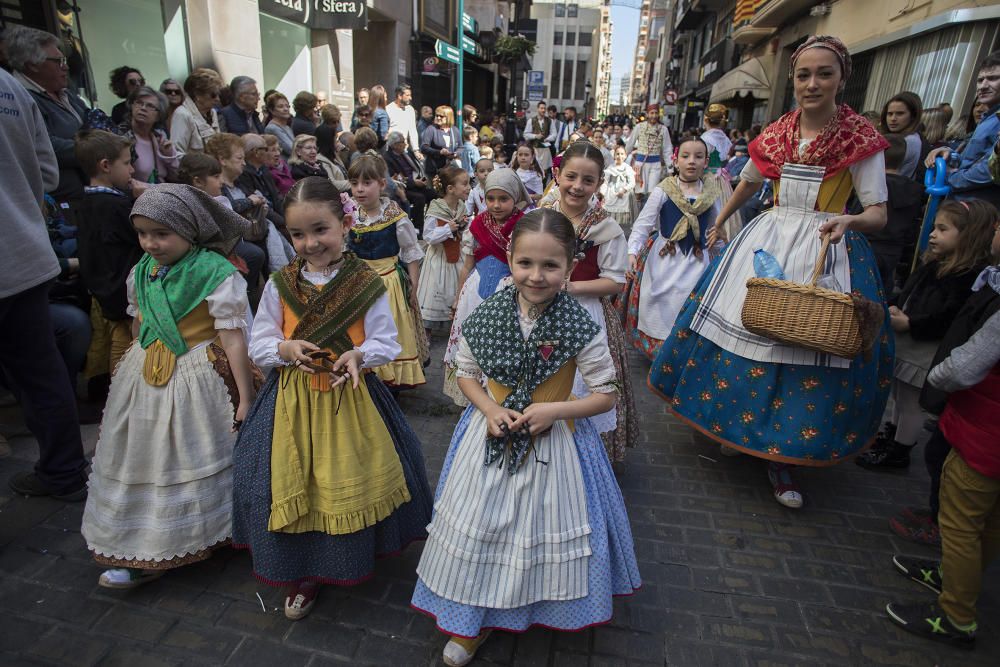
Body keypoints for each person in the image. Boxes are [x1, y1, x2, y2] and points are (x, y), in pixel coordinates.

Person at [648, 35, 893, 509]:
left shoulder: (859, 137)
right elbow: (748, 182)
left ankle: (786, 454)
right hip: (767, 240)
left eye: (824, 73)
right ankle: (738, 430)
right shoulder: (778, 131)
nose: (812, 83)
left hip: (827, 248)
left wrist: (850, 219)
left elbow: (878, 212)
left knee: (806, 344)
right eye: (803, 74)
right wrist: (719, 222)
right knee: (746, 335)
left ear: (842, 78)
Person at [411, 209, 641, 666]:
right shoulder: (491, 312)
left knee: (541, 526)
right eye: (526, 263)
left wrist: (557, 410)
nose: (537, 276)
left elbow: (607, 393)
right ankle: (471, 621)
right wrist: (491, 408)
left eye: (551, 266)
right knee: (485, 527)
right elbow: (466, 373)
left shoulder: (579, 322)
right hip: (488, 435)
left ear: (570, 268)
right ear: (510, 260)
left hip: (557, 446)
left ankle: (535, 605)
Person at [231, 175, 432, 619]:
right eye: (298, 234)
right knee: (292, 479)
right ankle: (302, 569)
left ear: (344, 225)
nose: (309, 243)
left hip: (351, 397)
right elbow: (260, 337)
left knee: (347, 478)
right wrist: (283, 348)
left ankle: (350, 555)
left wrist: (360, 355)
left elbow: (386, 340)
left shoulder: (364, 281)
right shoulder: (279, 283)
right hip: (290, 401)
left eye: (320, 230)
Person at [79, 184, 253, 589]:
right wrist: (137, 363)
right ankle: (142, 545)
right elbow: (139, 324)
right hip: (147, 373)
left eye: (161, 233)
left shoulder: (216, 271)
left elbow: (233, 336)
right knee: (143, 453)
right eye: (142, 234)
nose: (150, 243)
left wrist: (245, 396)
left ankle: (214, 529)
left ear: (189, 230)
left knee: (197, 448)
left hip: (200, 373)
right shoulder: (141, 270)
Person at [885, 221, 1000, 649]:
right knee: (985, 524)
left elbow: (968, 364)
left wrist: (938, 377)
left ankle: (956, 614)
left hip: (983, 435)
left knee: (961, 522)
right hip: (986, 431)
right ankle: (956, 579)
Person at [1, 65, 89, 501]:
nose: (65, 65)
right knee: (41, 371)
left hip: (20, 257)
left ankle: (61, 469)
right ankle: (64, 469)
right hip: (22, 252)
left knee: (39, 369)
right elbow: (48, 175)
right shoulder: (12, 89)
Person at [856, 200, 994, 471]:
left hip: (923, 349)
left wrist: (911, 323)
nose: (933, 234)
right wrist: (894, 305)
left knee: (910, 403)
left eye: (943, 229)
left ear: (967, 235)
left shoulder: (966, 276)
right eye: (934, 228)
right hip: (908, 343)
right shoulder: (935, 263)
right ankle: (892, 434)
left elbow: (947, 317)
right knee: (899, 396)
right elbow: (911, 293)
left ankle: (900, 450)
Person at [543, 141, 636, 463]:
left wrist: (569, 287)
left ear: (598, 184)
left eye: (587, 180)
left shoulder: (606, 229)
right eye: (571, 177)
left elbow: (616, 281)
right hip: (539, 313)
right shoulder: (542, 217)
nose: (577, 186)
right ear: (557, 175)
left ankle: (584, 459)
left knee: (584, 384)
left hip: (586, 317)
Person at [621, 137, 725, 361]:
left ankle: (679, 353)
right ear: (676, 161)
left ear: (706, 162)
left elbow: (715, 230)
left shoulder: (711, 195)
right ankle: (658, 353)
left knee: (687, 302)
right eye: (686, 156)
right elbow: (643, 225)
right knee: (660, 300)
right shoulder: (664, 190)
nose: (691, 162)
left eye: (698, 157)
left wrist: (722, 257)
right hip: (665, 258)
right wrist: (632, 253)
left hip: (696, 260)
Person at [443, 170, 532, 405]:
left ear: (514, 198)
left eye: (503, 199)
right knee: (472, 342)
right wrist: (458, 296)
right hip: (475, 293)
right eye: (491, 198)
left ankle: (499, 393)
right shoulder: (478, 225)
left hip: (510, 295)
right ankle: (472, 394)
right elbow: (467, 265)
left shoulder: (524, 227)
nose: (496, 204)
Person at [347, 153, 427, 387]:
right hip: (359, 282)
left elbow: (411, 253)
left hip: (388, 282)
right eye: (354, 184)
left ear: (382, 184)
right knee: (364, 328)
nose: (360, 189)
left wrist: (413, 287)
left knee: (390, 327)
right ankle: (368, 373)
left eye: (366, 183)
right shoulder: (351, 217)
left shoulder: (396, 218)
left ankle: (392, 379)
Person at [74, 129, 144, 379]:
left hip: (103, 284)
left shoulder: (86, 202)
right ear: (105, 165)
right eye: (126, 163)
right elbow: (139, 237)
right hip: (121, 286)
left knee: (121, 338)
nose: (132, 170)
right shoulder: (116, 206)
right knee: (124, 342)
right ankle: (120, 390)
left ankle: (118, 391)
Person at [7, 25, 89, 204]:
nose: (66, 67)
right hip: (60, 203)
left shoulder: (68, 94)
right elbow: (47, 147)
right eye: (58, 61)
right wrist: (98, 148)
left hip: (87, 195)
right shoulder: (17, 99)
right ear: (32, 65)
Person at [925, 52, 1000, 205]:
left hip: (979, 211)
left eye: (993, 78)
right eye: (980, 80)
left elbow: (990, 170)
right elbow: (973, 158)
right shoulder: (989, 117)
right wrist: (950, 154)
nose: (984, 86)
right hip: (962, 205)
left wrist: (950, 178)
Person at [860, 133, 924, 290]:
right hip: (893, 251)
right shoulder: (915, 190)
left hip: (868, 246)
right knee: (883, 289)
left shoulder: (872, 187)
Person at [418, 166, 470, 326]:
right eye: (465, 184)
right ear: (450, 189)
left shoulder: (461, 206)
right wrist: (448, 229)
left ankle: (455, 322)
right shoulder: (436, 207)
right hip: (439, 258)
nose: (469, 188)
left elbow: (466, 229)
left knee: (455, 286)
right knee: (436, 289)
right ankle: (429, 327)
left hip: (457, 254)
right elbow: (428, 236)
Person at [122, 85, 179, 183]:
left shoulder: (160, 137)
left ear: (158, 115)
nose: (143, 108)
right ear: (132, 106)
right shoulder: (122, 137)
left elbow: (176, 176)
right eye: (139, 103)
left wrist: (169, 155)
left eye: (150, 106)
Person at [385, 130, 435, 230]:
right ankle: (418, 227)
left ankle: (430, 222)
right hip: (403, 188)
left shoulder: (407, 154)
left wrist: (420, 179)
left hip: (416, 183)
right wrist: (414, 182)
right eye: (403, 142)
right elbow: (395, 179)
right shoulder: (388, 158)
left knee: (433, 194)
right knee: (419, 198)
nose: (405, 144)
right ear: (395, 145)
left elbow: (416, 169)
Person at [625, 103, 673, 205]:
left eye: (656, 113)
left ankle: (647, 218)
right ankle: (637, 216)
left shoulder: (663, 129)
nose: (654, 115)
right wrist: (622, 160)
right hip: (639, 164)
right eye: (651, 113)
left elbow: (667, 149)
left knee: (653, 194)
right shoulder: (639, 127)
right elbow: (630, 144)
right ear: (647, 114)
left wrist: (670, 169)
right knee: (638, 193)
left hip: (655, 164)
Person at [170, 68, 224, 155]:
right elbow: (176, 153)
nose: (217, 99)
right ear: (198, 94)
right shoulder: (182, 114)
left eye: (218, 94)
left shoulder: (212, 113)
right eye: (213, 95)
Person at [880, 91, 925, 180]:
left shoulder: (910, 140)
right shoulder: (896, 137)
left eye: (900, 113)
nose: (893, 119)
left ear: (913, 116)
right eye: (890, 114)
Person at [600, 145, 638, 234]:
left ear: (625, 156)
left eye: (622, 154)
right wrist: (603, 192)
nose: (619, 156)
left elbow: (632, 182)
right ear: (614, 156)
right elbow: (605, 181)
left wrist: (624, 190)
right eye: (617, 154)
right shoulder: (610, 168)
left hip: (624, 193)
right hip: (612, 192)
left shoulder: (627, 168)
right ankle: (611, 229)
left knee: (626, 201)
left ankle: (621, 230)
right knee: (610, 213)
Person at [421, 105, 460, 179]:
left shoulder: (455, 130)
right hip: (434, 171)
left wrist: (455, 154)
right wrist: (439, 152)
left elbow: (461, 147)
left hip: (450, 171)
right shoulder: (431, 129)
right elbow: (423, 147)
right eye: (437, 115)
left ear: (449, 117)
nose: (438, 118)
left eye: (441, 116)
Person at [386, 84, 420, 155]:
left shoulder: (410, 109)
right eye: (407, 95)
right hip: (391, 150)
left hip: (405, 150)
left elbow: (412, 131)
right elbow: (386, 132)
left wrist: (416, 150)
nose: (410, 98)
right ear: (399, 96)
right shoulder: (388, 109)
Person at [522, 101, 555, 174]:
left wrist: (547, 139)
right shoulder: (531, 120)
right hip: (534, 149)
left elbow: (554, 134)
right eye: (541, 108)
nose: (543, 110)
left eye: (544, 108)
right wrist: (535, 136)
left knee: (545, 171)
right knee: (534, 169)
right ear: (538, 109)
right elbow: (525, 134)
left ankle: (544, 185)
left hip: (545, 149)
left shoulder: (550, 121)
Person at [701, 104, 733, 171]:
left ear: (705, 120)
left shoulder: (705, 138)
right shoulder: (726, 139)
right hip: (723, 175)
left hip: (706, 174)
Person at [264, 92, 294, 159]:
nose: (286, 109)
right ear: (271, 110)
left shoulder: (287, 126)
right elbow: (291, 149)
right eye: (280, 106)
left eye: (287, 106)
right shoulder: (272, 128)